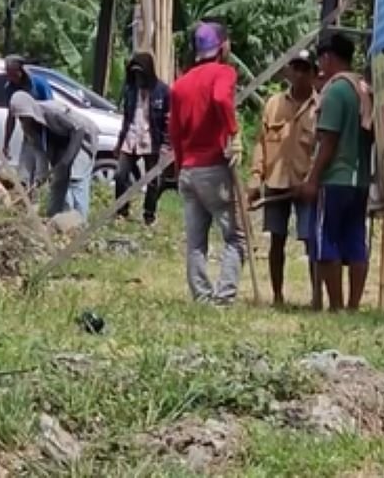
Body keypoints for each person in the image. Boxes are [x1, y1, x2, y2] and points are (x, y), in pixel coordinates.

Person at [169, 22, 244, 305]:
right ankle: (224, 297)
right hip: (213, 166)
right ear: (223, 46)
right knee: (234, 237)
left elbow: (174, 132)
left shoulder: (180, 84)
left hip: (188, 169)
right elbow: (220, 98)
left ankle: (201, 296)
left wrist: (179, 167)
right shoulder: (224, 72)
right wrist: (234, 133)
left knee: (196, 241)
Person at [299, 34, 374, 312]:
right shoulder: (364, 89)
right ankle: (353, 305)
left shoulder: (336, 91)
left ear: (328, 58)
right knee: (355, 241)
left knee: (325, 240)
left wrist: (312, 179)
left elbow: (328, 140)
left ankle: (336, 306)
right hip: (361, 179)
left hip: (335, 178)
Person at [248, 51, 320, 308]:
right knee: (276, 239)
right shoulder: (274, 104)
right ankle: (277, 295)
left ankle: (316, 297)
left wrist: (312, 180)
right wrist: (256, 178)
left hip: (305, 186)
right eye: (295, 68)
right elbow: (261, 144)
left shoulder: (319, 107)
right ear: (289, 71)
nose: (299, 74)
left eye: (305, 69)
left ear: (313, 73)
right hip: (276, 182)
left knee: (311, 241)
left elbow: (322, 149)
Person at [8, 91, 95, 217]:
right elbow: (39, 150)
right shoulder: (29, 128)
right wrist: (41, 175)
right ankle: (55, 219)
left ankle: (80, 222)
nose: (24, 120)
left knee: (75, 180)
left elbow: (79, 129)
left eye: (25, 116)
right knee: (58, 182)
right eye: (20, 117)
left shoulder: (53, 111)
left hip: (82, 140)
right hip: (60, 143)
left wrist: (66, 161)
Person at [115, 52, 169, 225]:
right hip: (130, 138)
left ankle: (149, 215)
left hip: (151, 140)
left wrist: (166, 144)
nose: (138, 77)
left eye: (140, 73)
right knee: (120, 175)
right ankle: (121, 211)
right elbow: (126, 118)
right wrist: (119, 142)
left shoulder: (162, 91)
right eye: (135, 73)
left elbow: (169, 119)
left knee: (153, 180)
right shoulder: (130, 90)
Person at [2, 55, 53, 189]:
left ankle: (38, 199)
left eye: (13, 74)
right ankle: (25, 200)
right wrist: (6, 143)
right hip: (28, 134)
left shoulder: (39, 85)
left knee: (41, 174)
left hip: (44, 134)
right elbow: (11, 117)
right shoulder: (10, 88)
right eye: (8, 74)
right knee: (24, 173)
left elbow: (51, 109)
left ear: (21, 71)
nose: (10, 77)